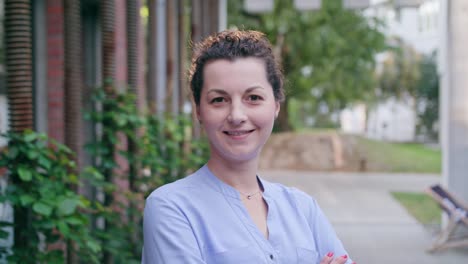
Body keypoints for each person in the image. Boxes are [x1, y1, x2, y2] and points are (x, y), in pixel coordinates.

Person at [142, 29, 354, 264]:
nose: (236, 115)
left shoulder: (303, 209)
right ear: (199, 111)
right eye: (219, 100)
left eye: (253, 97)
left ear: (276, 105)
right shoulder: (172, 208)